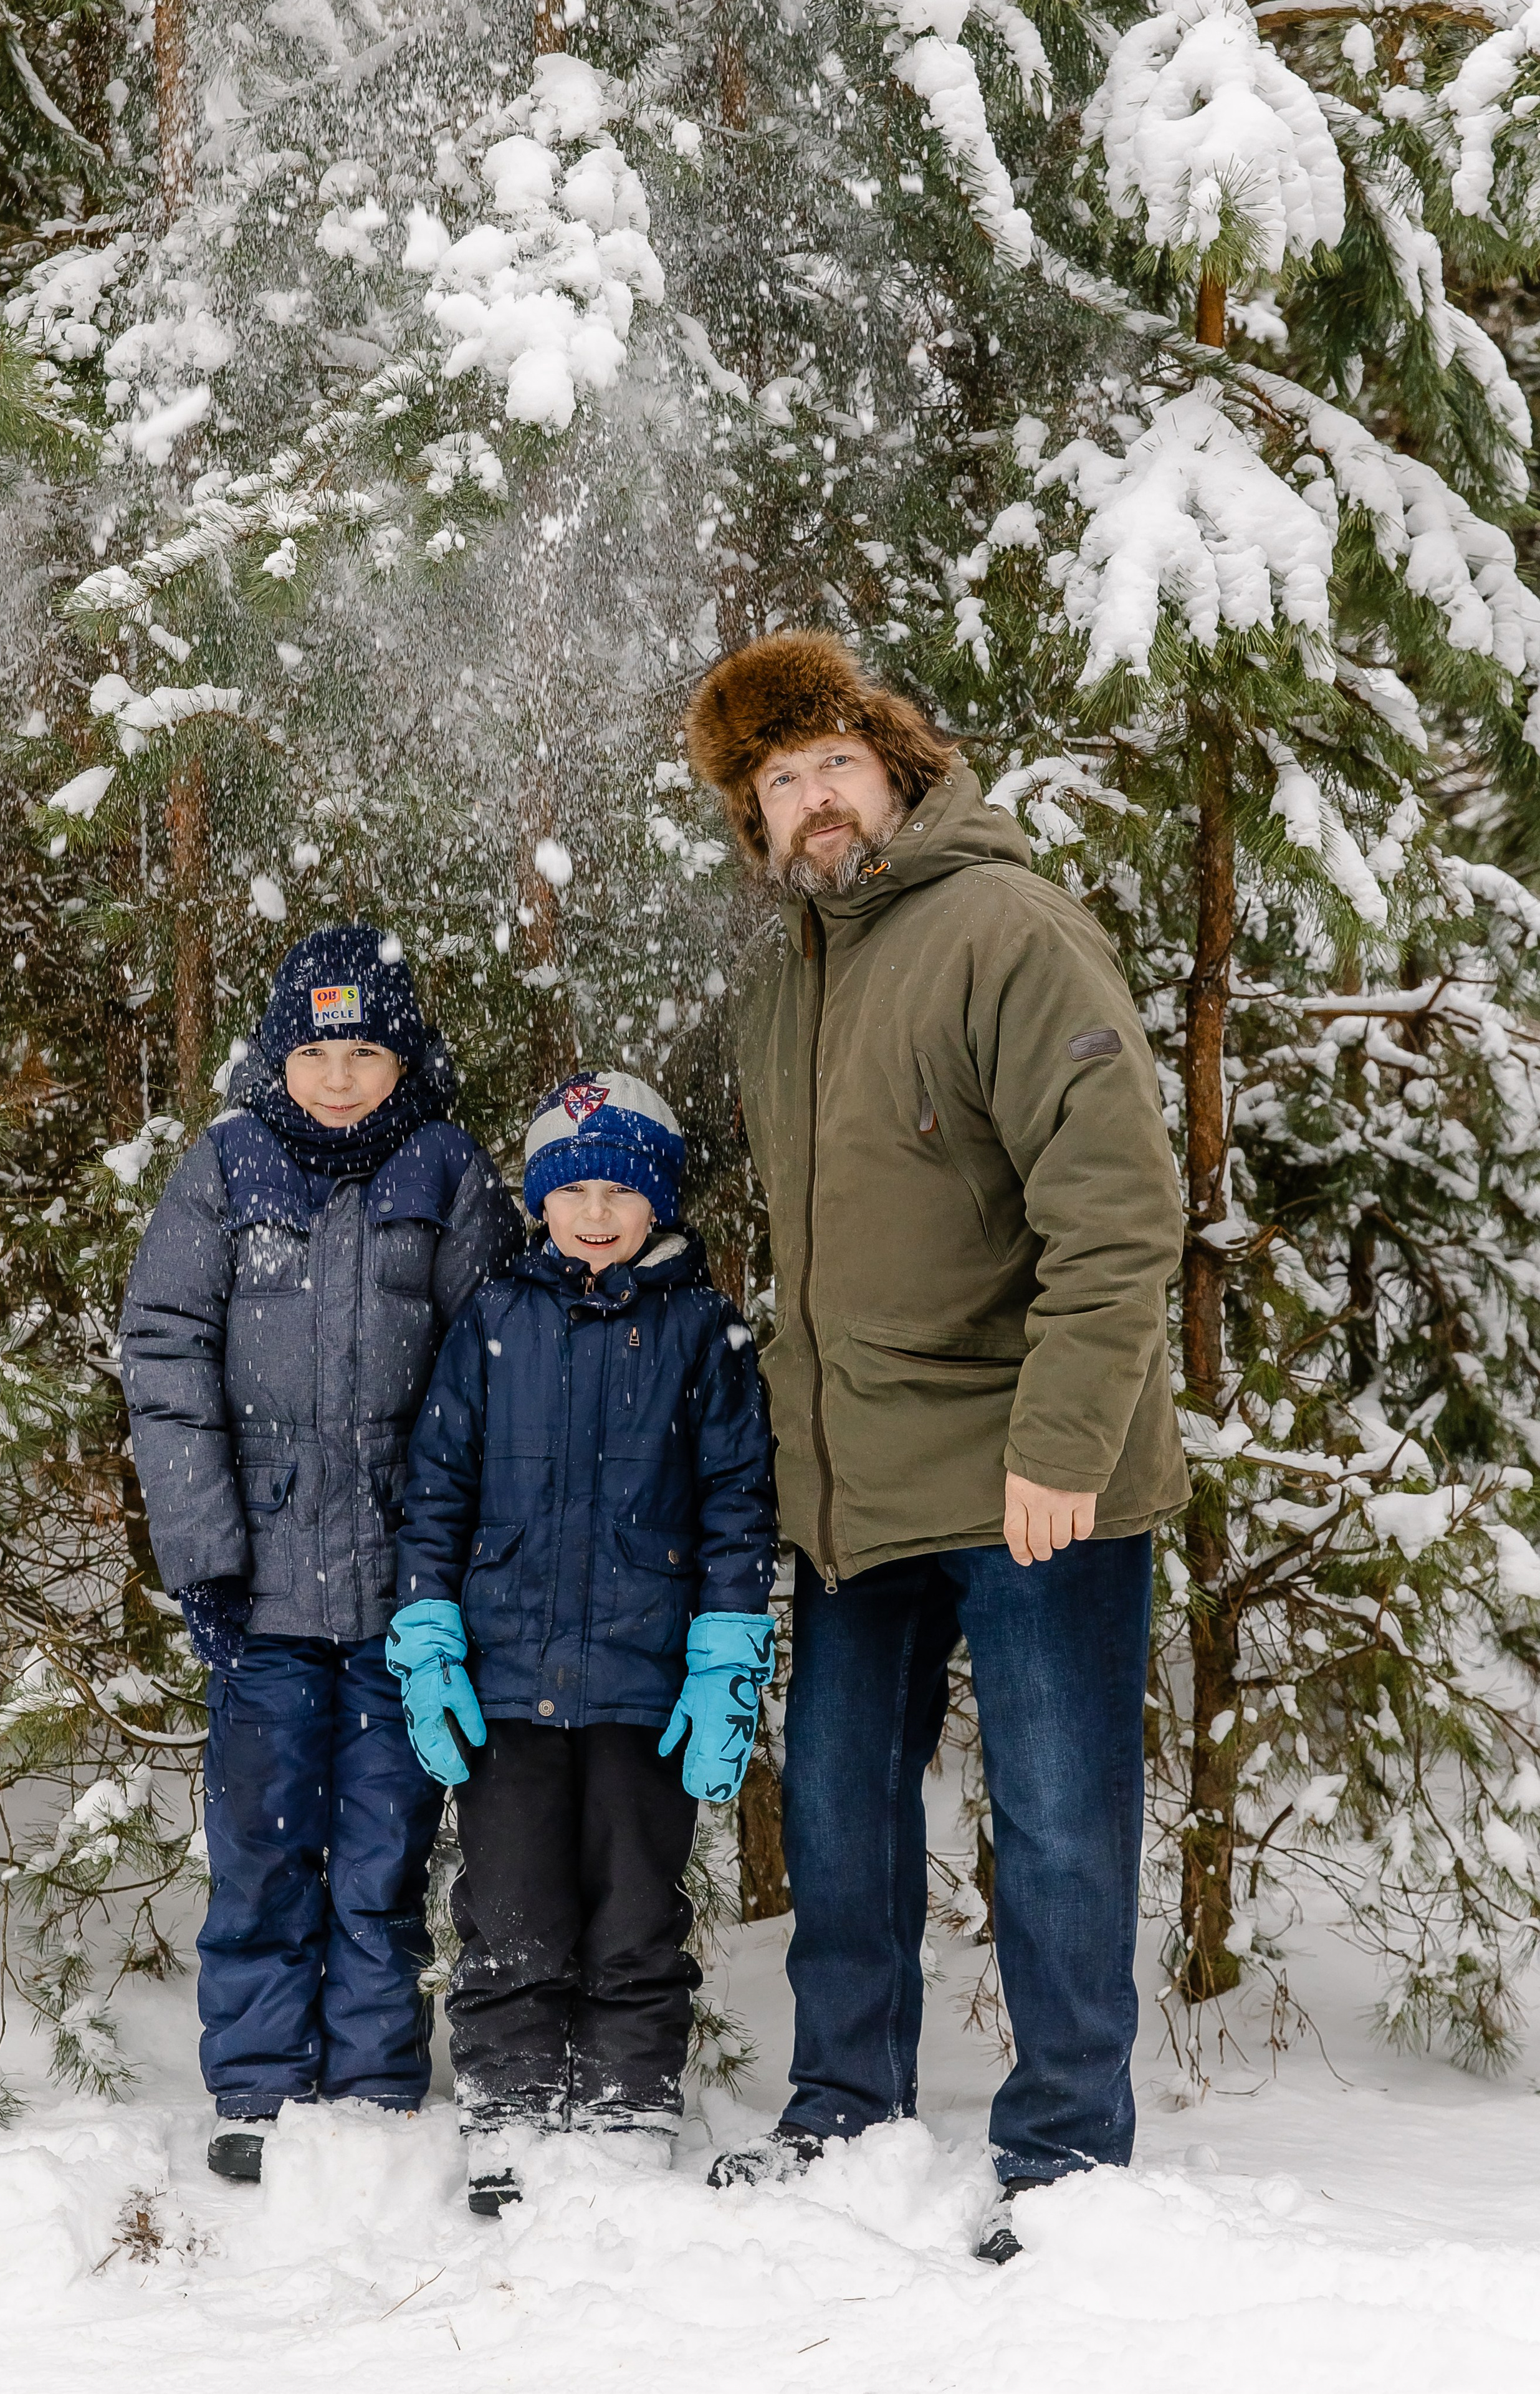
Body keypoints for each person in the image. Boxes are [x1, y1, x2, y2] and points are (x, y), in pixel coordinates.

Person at [684, 631, 1190, 2262]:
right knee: (837, 1804)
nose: (813, 801)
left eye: (833, 762)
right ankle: (845, 2111)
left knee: (1055, 1813)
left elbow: (1117, 1213)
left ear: (895, 766)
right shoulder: (788, 981)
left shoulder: (1008, 930)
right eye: (778, 784)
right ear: (757, 827)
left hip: (1035, 1466)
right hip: (861, 1483)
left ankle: (1065, 2155)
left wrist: (1060, 1444)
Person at [120, 924, 522, 2182]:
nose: (339, 1074)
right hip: (263, 1597)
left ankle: (371, 2079)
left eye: (364, 1049)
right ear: (277, 1057)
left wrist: (456, 1573)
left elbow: (488, 1371)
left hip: (404, 1594)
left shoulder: (446, 1171)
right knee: (262, 1845)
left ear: (403, 1058)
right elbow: (166, 1352)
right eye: (316, 1049)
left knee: (382, 1846)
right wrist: (205, 1555)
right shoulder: (227, 1169)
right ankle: (255, 2083)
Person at [386, 1071, 776, 2215]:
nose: (597, 1211)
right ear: (540, 1200)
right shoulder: (494, 1322)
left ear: (658, 1201)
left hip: (647, 1687)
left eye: (622, 1188)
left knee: (635, 1903)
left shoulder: (703, 1331)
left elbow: (737, 1503)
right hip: (505, 1681)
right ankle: (507, 2099)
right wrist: (428, 1633)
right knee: (508, 1902)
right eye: (574, 1188)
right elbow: (437, 1492)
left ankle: (624, 2100)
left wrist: (726, 1654)